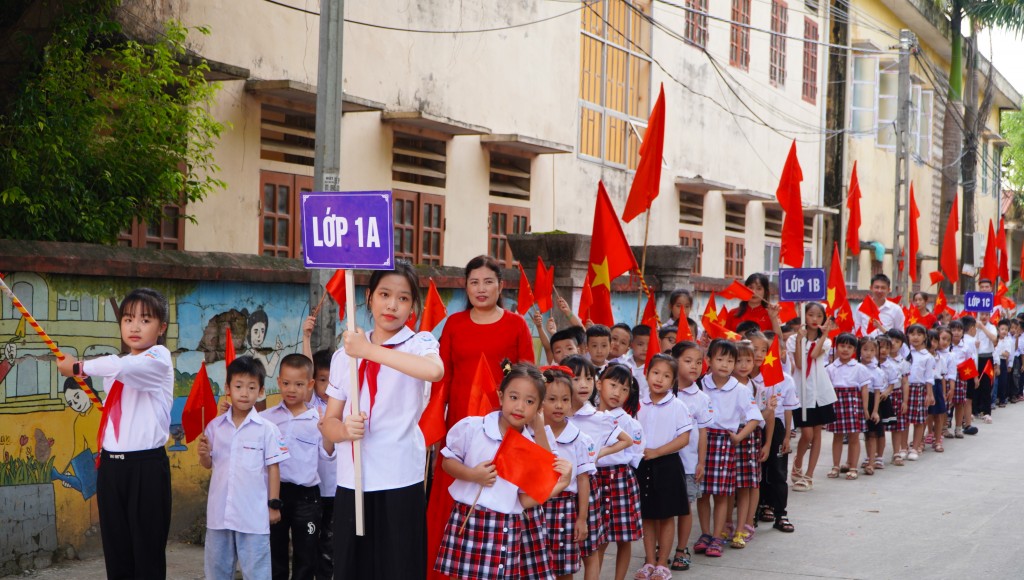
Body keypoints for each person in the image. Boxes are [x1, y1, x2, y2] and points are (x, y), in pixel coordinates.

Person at [320, 263, 445, 579]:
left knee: (398, 568)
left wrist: (370, 351)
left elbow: (434, 371)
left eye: (403, 298)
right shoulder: (343, 355)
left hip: (400, 477)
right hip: (354, 480)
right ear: (368, 297)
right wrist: (346, 430)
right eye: (385, 295)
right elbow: (328, 424)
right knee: (352, 568)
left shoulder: (420, 343)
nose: (392, 305)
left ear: (412, 306)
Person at [424, 255, 535, 577]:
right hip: (458, 427)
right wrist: (435, 430)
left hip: (504, 429)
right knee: (450, 501)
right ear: (465, 286)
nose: (481, 288)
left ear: (500, 286)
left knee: (499, 500)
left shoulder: (516, 324)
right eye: (474, 282)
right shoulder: (455, 325)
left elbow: (529, 378)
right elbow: (440, 379)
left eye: (488, 282)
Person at [56, 288, 174, 580]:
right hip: (111, 467)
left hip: (145, 468)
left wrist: (77, 367)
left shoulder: (158, 358)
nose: (134, 327)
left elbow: (123, 366)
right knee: (117, 553)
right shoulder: (116, 368)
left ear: (161, 328)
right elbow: (118, 370)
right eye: (128, 319)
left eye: (145, 320)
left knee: (146, 555)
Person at [434, 363, 571, 579]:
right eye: (513, 397)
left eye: (529, 401)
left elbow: (536, 484)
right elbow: (446, 463)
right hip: (469, 516)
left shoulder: (534, 440)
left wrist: (539, 429)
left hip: (506, 522)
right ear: (500, 396)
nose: (519, 407)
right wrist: (473, 475)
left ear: (538, 408)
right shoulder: (473, 427)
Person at [199, 356, 290, 580]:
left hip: (253, 517)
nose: (244, 393)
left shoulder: (267, 429)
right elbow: (209, 464)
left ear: (260, 391)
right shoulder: (214, 427)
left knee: (256, 573)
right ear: (228, 388)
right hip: (219, 515)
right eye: (238, 386)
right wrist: (203, 456)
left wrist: (274, 505)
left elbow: (274, 468)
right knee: (217, 572)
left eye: (251, 387)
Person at [262, 353, 335, 580]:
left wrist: (327, 432)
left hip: (308, 499)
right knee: (276, 553)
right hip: (277, 494)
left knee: (306, 556)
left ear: (310, 385)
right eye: (286, 383)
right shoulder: (267, 419)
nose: (291, 389)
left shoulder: (318, 420)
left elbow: (328, 455)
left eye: (299, 384)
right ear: (278, 382)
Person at [564, 355, 633, 580]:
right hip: (560, 492)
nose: (583, 384)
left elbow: (626, 440)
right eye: (575, 379)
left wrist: (598, 453)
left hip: (587, 491)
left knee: (590, 549)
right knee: (563, 552)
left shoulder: (597, 417)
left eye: (588, 378)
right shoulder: (555, 415)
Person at [692, 339, 761, 559]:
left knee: (722, 494)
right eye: (719, 359)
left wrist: (739, 436)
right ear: (708, 360)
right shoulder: (700, 384)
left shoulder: (739, 389)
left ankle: (717, 537)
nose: (725, 364)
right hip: (702, 441)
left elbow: (754, 417)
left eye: (730, 361)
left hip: (724, 442)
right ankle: (704, 533)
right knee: (702, 493)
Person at [633, 354, 692, 580]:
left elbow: (684, 438)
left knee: (666, 516)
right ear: (647, 374)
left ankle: (662, 562)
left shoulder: (677, 406)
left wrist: (657, 451)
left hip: (667, 464)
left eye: (666, 376)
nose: (659, 379)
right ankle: (648, 561)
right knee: (647, 515)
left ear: (673, 381)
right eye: (655, 373)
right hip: (643, 464)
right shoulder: (638, 404)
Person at [539, 366, 596, 580]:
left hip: (564, 509)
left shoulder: (580, 439)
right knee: (536, 565)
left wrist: (582, 519)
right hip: (536, 505)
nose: (559, 405)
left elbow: (583, 480)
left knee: (563, 569)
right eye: (551, 399)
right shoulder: (530, 433)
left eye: (565, 400)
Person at [593, 364, 644, 580]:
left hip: (621, 480)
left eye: (624, 389)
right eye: (613, 385)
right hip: (596, 479)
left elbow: (635, 457)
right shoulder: (588, 417)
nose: (617, 393)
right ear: (599, 384)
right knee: (599, 539)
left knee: (624, 537)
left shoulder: (630, 424)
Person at [750, 331, 798, 534]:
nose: (760, 354)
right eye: (755, 349)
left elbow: (787, 410)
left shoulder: (783, 378)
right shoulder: (742, 377)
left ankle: (781, 513)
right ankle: (753, 513)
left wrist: (787, 435)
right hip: (752, 427)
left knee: (777, 471)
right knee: (754, 472)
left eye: (764, 350)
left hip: (775, 426)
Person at [787, 303, 837, 491]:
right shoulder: (794, 339)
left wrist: (824, 334)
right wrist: (801, 340)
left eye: (818, 316)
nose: (814, 319)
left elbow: (815, 355)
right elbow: (799, 364)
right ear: (804, 316)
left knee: (817, 434)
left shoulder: (826, 341)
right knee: (806, 434)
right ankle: (798, 463)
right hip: (801, 390)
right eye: (810, 315)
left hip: (820, 391)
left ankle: (809, 475)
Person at [670, 341, 710, 571]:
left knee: (685, 508)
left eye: (698, 362)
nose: (694, 366)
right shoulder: (662, 389)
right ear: (674, 361)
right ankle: (660, 548)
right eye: (688, 361)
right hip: (663, 462)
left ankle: (681, 549)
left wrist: (701, 462)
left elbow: (702, 433)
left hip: (688, 463)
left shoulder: (700, 397)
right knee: (662, 511)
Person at [729, 342, 766, 548]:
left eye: (748, 361)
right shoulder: (724, 385)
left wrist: (767, 444)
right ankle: (726, 523)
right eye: (739, 360)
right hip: (729, 434)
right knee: (727, 486)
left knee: (745, 485)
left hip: (750, 436)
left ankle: (742, 526)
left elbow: (760, 417)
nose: (743, 365)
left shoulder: (756, 387)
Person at [825, 333, 871, 479]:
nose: (845, 349)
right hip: (836, 402)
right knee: (837, 437)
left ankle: (853, 467)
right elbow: (828, 389)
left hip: (853, 403)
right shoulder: (830, 368)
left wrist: (865, 408)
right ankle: (835, 466)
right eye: (842, 346)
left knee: (854, 437)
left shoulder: (859, 368)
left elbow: (864, 389)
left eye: (849, 347)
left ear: (854, 350)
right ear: (836, 347)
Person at [309, 349, 336, 580]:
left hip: (337, 489)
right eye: (322, 380)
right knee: (310, 541)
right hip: (313, 489)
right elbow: (306, 366)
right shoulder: (310, 404)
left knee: (329, 543)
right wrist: (307, 338)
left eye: (333, 380)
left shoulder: (345, 406)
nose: (327, 387)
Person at [905, 324, 936, 460]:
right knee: (903, 420)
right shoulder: (906, 353)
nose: (915, 337)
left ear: (925, 337)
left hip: (919, 389)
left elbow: (929, 377)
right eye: (912, 334)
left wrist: (929, 394)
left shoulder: (928, 357)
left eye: (919, 334)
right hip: (905, 388)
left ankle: (915, 447)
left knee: (919, 420)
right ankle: (902, 447)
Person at [859, 338, 886, 471]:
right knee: (862, 433)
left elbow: (877, 393)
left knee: (873, 433)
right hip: (857, 399)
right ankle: (864, 458)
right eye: (865, 349)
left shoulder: (877, 371)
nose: (868, 353)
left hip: (871, 401)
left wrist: (875, 410)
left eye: (872, 350)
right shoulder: (856, 367)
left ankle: (872, 462)